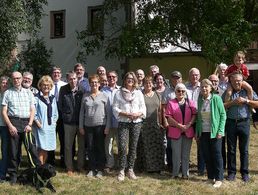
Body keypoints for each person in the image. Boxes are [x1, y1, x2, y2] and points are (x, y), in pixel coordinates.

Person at [2, 71, 40, 184]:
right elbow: (4, 111)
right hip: (13, 122)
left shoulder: (29, 93)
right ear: (12, 80)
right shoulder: (8, 93)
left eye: (18, 78)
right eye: (14, 78)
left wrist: (30, 124)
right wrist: (10, 126)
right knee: (13, 151)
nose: (16, 80)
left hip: (26, 123)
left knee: (31, 149)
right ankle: (13, 175)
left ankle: (36, 173)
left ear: (22, 79)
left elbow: (33, 109)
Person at [223, 73, 258, 182]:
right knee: (231, 149)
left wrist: (246, 101)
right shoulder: (228, 92)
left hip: (244, 122)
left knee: (244, 150)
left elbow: (257, 104)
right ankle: (231, 173)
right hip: (231, 122)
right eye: (234, 81)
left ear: (242, 81)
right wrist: (233, 102)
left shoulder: (247, 92)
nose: (237, 83)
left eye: (239, 81)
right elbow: (222, 105)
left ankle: (245, 173)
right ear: (231, 82)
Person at [113, 71, 146, 181]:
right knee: (122, 147)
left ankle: (130, 169)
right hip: (123, 122)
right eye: (128, 78)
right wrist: (126, 114)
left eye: (132, 78)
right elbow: (115, 108)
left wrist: (138, 114)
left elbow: (143, 108)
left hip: (136, 123)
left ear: (135, 80)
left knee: (133, 147)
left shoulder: (139, 93)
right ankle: (122, 170)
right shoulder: (118, 93)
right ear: (125, 80)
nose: (130, 80)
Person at [195, 79, 226, 188]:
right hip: (203, 132)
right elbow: (198, 118)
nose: (204, 88)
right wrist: (197, 132)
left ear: (210, 88)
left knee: (217, 155)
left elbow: (223, 115)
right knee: (207, 155)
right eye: (202, 86)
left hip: (215, 132)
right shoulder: (200, 99)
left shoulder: (216, 98)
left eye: (206, 86)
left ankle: (219, 178)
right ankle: (210, 177)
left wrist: (220, 131)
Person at [79, 74, 108, 178]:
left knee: (100, 148)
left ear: (99, 84)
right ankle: (91, 168)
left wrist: (107, 127)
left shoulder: (104, 96)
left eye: (96, 82)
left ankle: (100, 169)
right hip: (88, 126)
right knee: (90, 148)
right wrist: (81, 126)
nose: (94, 84)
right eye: (92, 82)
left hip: (101, 126)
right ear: (89, 84)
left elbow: (108, 112)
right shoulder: (85, 96)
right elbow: (82, 112)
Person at [165, 83, 196, 179]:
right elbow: (168, 117)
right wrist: (179, 125)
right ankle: (175, 174)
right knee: (176, 155)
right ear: (175, 92)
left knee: (186, 154)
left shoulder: (191, 102)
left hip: (188, 131)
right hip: (176, 132)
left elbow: (194, 115)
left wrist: (188, 125)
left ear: (185, 92)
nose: (181, 92)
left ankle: (185, 174)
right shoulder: (171, 103)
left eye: (183, 91)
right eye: (178, 90)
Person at [58, 71, 84, 176]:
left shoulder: (82, 90)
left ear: (77, 79)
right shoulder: (63, 89)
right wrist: (66, 115)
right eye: (70, 79)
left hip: (80, 122)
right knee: (68, 146)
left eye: (74, 78)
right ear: (67, 80)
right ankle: (69, 167)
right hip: (68, 122)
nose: (72, 81)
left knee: (81, 146)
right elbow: (60, 105)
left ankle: (80, 166)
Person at [137, 76, 164, 172]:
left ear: (153, 84)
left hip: (155, 124)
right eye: (146, 83)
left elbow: (160, 111)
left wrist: (161, 123)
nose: (148, 85)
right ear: (143, 84)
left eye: (150, 83)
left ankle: (157, 168)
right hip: (144, 124)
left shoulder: (157, 95)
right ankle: (146, 168)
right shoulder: (140, 95)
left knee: (156, 147)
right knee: (145, 148)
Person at [34, 76, 59, 165]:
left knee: (47, 147)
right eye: (44, 85)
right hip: (41, 126)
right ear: (40, 86)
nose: (46, 87)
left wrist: (54, 122)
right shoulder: (36, 97)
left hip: (50, 127)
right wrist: (37, 122)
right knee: (41, 148)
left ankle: (43, 165)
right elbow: (33, 112)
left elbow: (55, 112)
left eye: (48, 85)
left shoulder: (52, 98)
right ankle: (40, 167)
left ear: (51, 86)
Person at [162, 71, 183, 170]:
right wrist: (165, 121)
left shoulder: (183, 89)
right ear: (171, 79)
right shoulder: (167, 91)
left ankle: (182, 165)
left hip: (183, 122)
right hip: (171, 122)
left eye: (178, 78)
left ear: (181, 79)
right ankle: (171, 165)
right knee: (170, 145)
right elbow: (163, 107)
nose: (176, 79)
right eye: (174, 77)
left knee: (182, 145)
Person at [101, 71, 120, 172]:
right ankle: (110, 164)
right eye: (109, 76)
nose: (111, 78)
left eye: (113, 76)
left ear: (116, 78)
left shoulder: (121, 90)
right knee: (108, 144)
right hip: (107, 122)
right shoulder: (103, 90)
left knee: (121, 144)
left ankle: (121, 164)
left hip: (119, 122)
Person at [48, 66, 67, 167]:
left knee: (63, 138)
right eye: (54, 72)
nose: (56, 74)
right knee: (51, 137)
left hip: (62, 115)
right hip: (51, 115)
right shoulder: (48, 85)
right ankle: (51, 160)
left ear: (61, 74)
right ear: (52, 74)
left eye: (58, 72)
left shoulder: (65, 85)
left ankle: (63, 160)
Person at [0, 76, 9, 182]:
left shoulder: (10, 95)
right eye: (3, 82)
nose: (5, 84)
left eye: (7, 83)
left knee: (5, 150)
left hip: (5, 126)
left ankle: (2, 174)